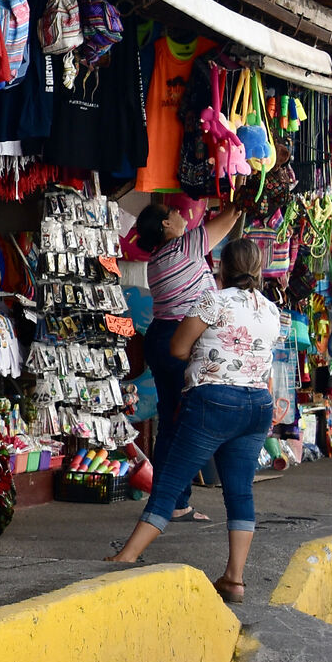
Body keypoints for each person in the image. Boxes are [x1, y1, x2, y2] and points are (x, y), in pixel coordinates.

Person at [107, 237, 279, 602]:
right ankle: (234, 579)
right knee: (239, 490)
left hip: (213, 401)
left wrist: (207, 357)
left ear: (221, 266)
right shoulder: (271, 310)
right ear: (259, 269)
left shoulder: (213, 300)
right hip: (257, 405)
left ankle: (128, 555)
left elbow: (178, 347)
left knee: (170, 481)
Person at [134, 197, 242, 522]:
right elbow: (231, 217)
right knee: (189, 423)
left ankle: (170, 501)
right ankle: (175, 502)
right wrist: (238, 190)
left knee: (171, 422)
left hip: (161, 338)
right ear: (166, 225)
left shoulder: (156, 259)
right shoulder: (184, 247)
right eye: (174, 213)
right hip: (182, 340)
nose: (182, 215)